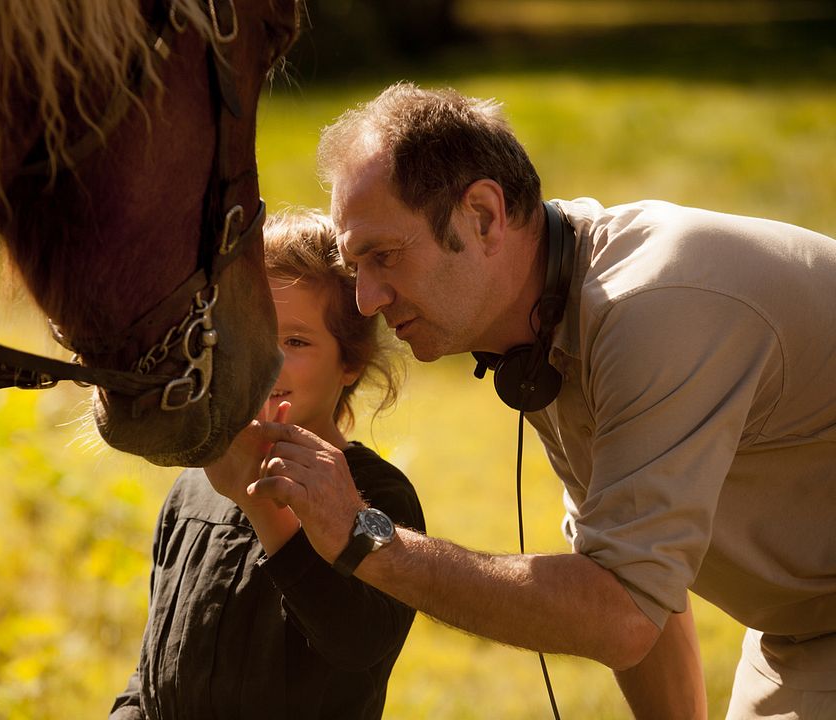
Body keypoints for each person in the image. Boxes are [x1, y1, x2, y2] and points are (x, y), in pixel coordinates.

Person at [247, 82, 836, 718]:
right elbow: (638, 592)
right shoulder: (542, 326)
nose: (366, 300)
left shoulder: (648, 310)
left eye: (384, 256)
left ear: (483, 216)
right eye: (355, 266)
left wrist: (366, 539)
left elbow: (621, 613)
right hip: (799, 635)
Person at [110, 209, 425, 720]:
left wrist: (262, 508)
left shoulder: (378, 495)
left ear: (351, 362)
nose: (262, 360)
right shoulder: (195, 485)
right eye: (247, 332)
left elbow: (359, 646)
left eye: (295, 341)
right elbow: (152, 671)